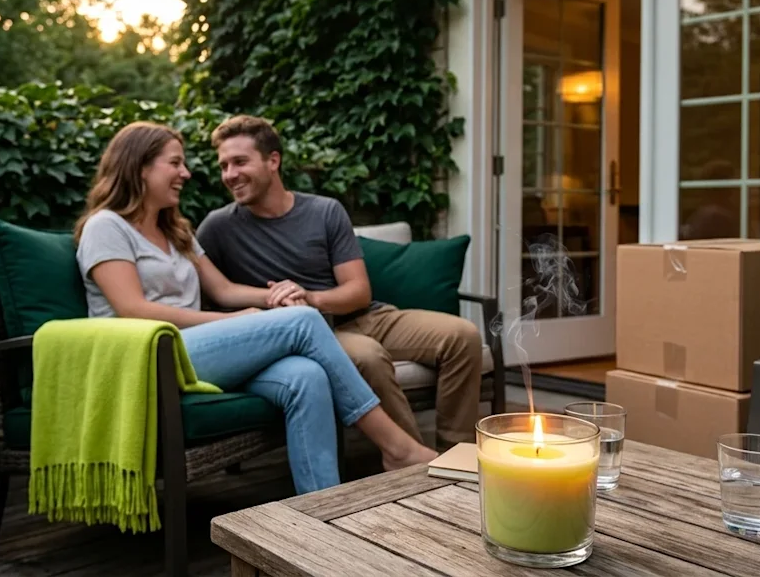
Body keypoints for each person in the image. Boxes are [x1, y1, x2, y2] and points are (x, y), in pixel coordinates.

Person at [72, 121, 437, 495]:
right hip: (150, 356)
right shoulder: (106, 227)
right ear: (139, 166)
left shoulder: (174, 230)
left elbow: (225, 289)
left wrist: (280, 296)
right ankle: (397, 447)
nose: (186, 173)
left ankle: (322, 506)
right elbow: (134, 310)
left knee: (306, 376)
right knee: (302, 322)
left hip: (196, 352)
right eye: (175, 163)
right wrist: (237, 319)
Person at [195, 114, 483, 451]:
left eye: (239, 162)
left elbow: (358, 292)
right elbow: (211, 293)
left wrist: (310, 297)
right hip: (316, 336)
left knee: (463, 336)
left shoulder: (324, 211)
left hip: (366, 316)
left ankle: (457, 453)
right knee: (369, 358)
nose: (229, 175)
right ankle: (411, 461)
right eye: (224, 165)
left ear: (273, 161)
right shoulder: (217, 228)